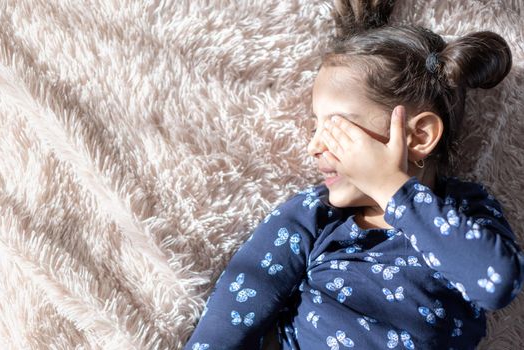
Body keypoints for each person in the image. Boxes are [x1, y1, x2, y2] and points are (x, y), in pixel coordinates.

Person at [183, 1, 524, 349]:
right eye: (316, 125)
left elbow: (495, 284)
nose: (315, 145)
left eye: (336, 127)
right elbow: (227, 324)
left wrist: (392, 189)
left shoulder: (466, 211)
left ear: (418, 136)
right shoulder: (313, 217)